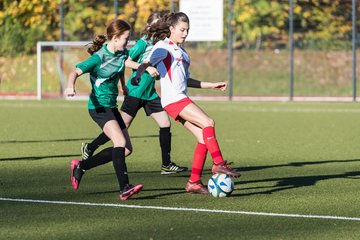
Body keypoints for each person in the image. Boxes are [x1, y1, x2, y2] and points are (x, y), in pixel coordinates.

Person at [134, 12, 241, 195]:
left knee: (202, 138)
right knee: (208, 122)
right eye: (182, 30)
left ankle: (194, 182)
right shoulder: (163, 47)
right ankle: (218, 164)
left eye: (187, 30)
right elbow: (147, 63)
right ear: (171, 29)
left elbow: (186, 80)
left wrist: (211, 85)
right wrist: (139, 75)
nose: (185, 33)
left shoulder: (182, 52)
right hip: (174, 99)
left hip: (178, 98)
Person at [80, 12, 188, 175]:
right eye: (157, 24)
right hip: (136, 91)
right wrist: (144, 68)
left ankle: (166, 164)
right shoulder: (142, 43)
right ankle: (91, 146)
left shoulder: (163, 44)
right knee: (121, 127)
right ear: (150, 26)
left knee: (165, 123)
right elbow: (126, 62)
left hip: (150, 93)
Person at [64, 19, 142, 201]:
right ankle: (124, 188)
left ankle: (82, 166)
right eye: (125, 38)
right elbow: (74, 72)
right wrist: (70, 86)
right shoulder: (98, 57)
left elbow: (121, 66)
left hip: (111, 106)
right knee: (120, 142)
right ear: (114, 38)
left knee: (126, 149)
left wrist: (124, 85)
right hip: (98, 107)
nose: (127, 42)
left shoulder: (122, 53)